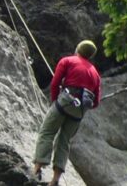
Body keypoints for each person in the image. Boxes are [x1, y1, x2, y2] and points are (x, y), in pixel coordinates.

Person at [32, 40, 102, 186]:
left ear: (78, 49)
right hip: (79, 111)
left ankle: (37, 168)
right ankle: (55, 179)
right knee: (64, 141)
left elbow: (55, 83)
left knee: (47, 132)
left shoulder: (68, 61)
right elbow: (95, 102)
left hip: (64, 103)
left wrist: (55, 100)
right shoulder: (95, 74)